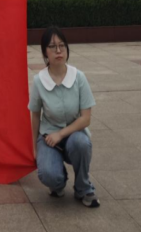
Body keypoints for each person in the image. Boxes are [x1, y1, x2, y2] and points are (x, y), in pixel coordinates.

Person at [29, 26, 100, 208]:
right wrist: (34, 147)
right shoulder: (39, 81)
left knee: (81, 143)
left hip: (74, 134)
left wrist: (60, 134)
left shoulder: (79, 77)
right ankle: (58, 183)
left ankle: (83, 188)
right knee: (48, 175)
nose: (58, 51)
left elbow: (86, 118)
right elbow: (35, 115)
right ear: (45, 52)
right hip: (48, 138)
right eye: (52, 46)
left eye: (62, 45)